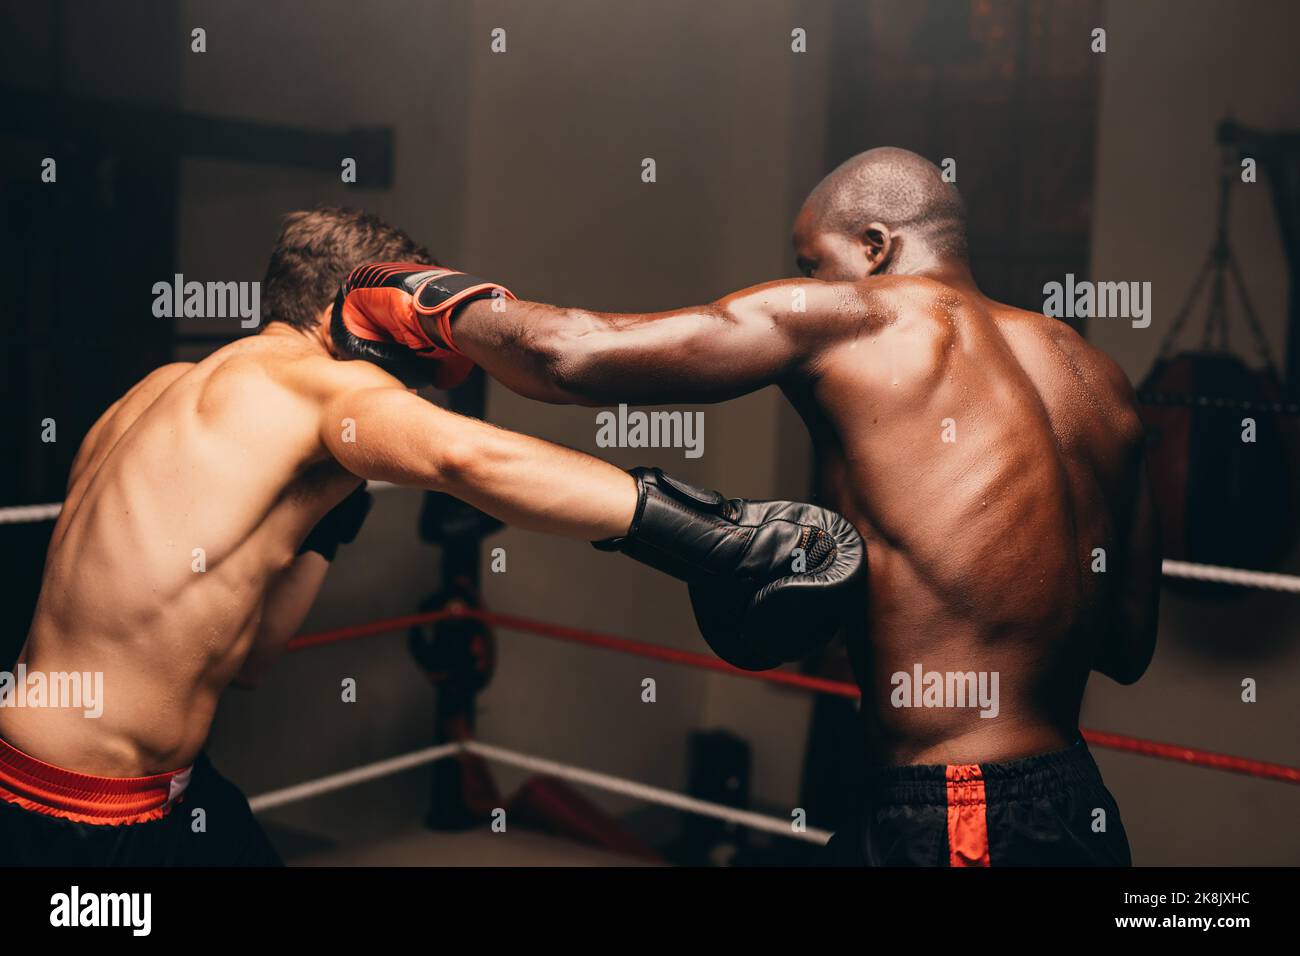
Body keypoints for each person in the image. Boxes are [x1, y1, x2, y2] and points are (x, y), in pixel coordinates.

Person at [340, 148, 1158, 866]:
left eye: (812, 264)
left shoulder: (861, 316)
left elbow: (571, 356)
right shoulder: (1096, 377)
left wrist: (421, 297)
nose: (807, 286)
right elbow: (1127, 643)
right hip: (1073, 805)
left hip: (959, 817)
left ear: (874, 247)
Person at [0, 208, 862, 866]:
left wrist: (321, 524)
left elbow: (250, 657)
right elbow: (470, 457)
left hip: (98, 780)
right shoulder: (316, 391)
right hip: (88, 819)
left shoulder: (156, 392)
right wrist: (718, 537)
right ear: (365, 311)